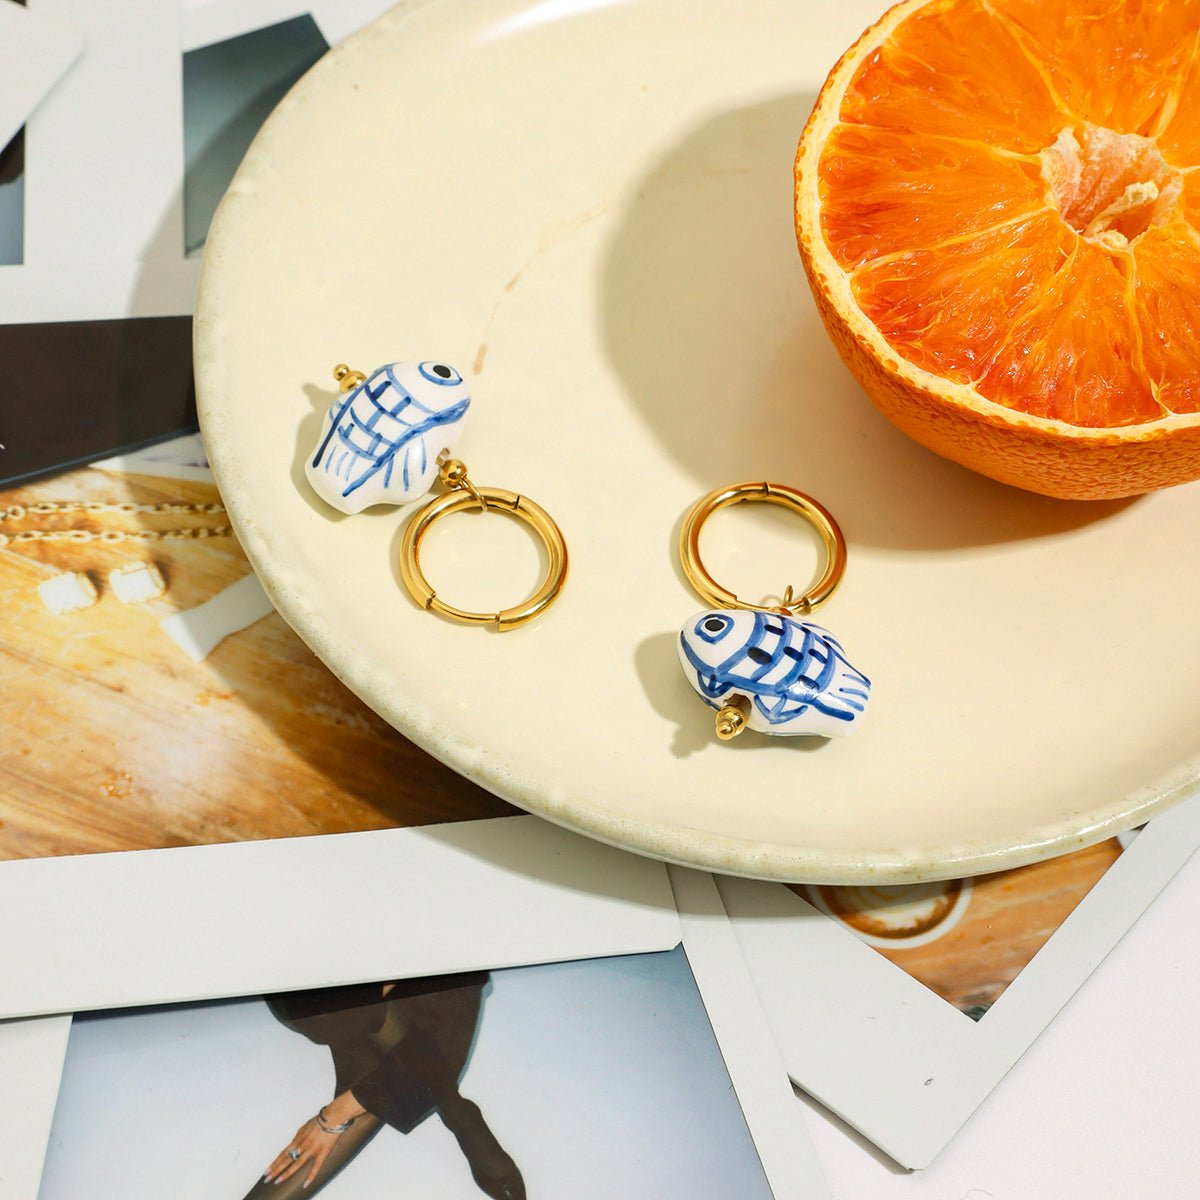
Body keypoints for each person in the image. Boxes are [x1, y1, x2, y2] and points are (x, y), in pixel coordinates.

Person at [242, 971, 525, 1198]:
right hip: (322, 997)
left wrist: (340, 1111)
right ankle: (456, 1110)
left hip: (426, 967)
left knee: (409, 1046)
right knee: (404, 1051)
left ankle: (452, 1106)